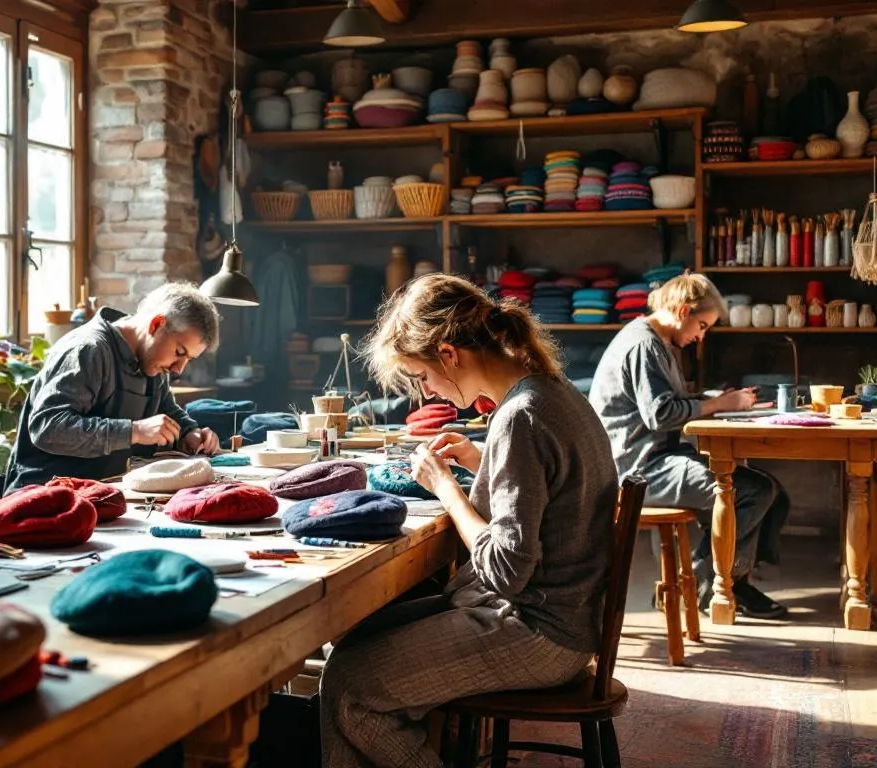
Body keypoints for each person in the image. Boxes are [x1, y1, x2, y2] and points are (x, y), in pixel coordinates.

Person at [319, 274, 619, 768]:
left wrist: (446, 488)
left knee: (350, 688)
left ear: (448, 354)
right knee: (351, 643)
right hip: (569, 617)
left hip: (542, 634)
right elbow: (553, 493)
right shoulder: (551, 391)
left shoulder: (520, 416)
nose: (426, 391)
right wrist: (485, 462)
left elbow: (506, 570)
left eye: (422, 376)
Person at [588, 273, 787, 619]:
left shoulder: (657, 342)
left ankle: (726, 581)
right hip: (638, 469)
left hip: (655, 459)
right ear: (683, 311)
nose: (700, 336)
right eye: (702, 326)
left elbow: (671, 401)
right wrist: (719, 404)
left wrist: (717, 399)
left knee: (770, 491)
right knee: (752, 492)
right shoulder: (644, 346)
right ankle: (702, 584)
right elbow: (661, 414)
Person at [0, 283, 223, 502]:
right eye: (179, 352)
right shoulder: (88, 350)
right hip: (43, 498)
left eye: (189, 359)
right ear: (156, 324)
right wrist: (134, 431)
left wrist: (189, 432)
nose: (179, 369)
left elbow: (166, 409)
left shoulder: (153, 361)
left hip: (99, 495)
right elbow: (48, 427)